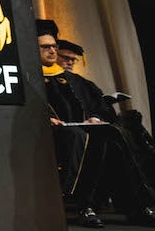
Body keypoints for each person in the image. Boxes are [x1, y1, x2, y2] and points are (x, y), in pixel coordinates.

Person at [39, 19, 155, 228]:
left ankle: (138, 206)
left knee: (113, 134)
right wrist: (43, 118)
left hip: (82, 130)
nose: (52, 50)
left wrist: (96, 118)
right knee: (83, 138)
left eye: (54, 46)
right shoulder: (27, 78)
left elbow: (99, 107)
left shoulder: (76, 81)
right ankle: (84, 206)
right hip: (51, 134)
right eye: (45, 47)